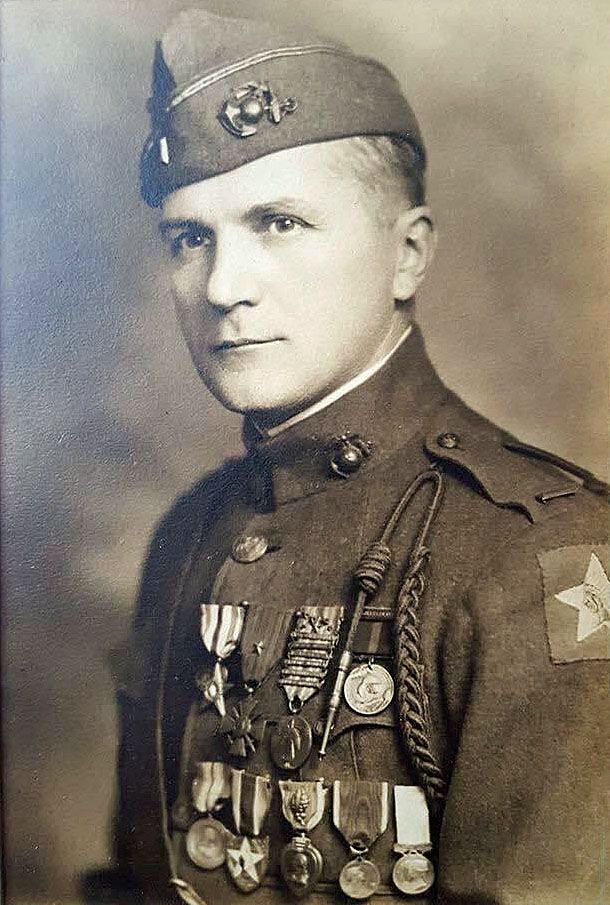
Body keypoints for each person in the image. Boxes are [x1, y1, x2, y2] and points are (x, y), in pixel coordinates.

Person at [90, 7, 608, 905]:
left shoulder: (539, 554)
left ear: (407, 254)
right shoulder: (189, 532)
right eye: (189, 237)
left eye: (279, 223)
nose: (222, 287)